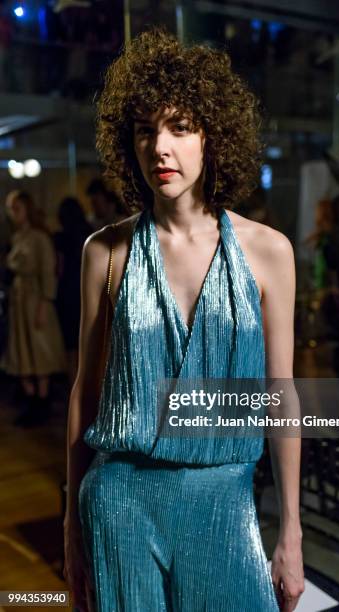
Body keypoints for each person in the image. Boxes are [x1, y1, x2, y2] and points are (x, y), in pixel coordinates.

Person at [64, 28, 304, 612]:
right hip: (119, 501)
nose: (160, 148)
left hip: (223, 498)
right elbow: (85, 393)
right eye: (145, 131)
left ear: (211, 136)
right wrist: (72, 521)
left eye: (179, 127)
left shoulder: (268, 251)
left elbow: (281, 392)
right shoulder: (108, 251)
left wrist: (292, 531)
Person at [3, 190, 66, 426]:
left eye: (16, 208)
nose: (13, 214)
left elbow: (48, 274)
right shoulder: (20, 236)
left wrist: (44, 304)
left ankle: (42, 401)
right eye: (11, 209)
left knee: (40, 353)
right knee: (23, 352)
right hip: (20, 302)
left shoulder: (39, 238)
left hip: (35, 301)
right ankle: (32, 401)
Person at [54, 197, 92, 385]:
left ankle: (74, 387)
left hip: (67, 292)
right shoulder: (90, 233)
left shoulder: (60, 238)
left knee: (70, 346)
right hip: (87, 289)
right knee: (89, 342)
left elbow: (59, 269)